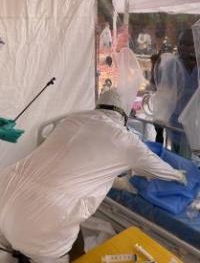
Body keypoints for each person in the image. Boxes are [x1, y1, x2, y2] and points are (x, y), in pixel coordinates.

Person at [0, 86, 187, 263]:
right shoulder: (125, 139)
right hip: (47, 214)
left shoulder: (72, 120)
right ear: (123, 114)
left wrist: (117, 182)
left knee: (14, 244)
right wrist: (178, 175)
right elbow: (156, 167)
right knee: (43, 248)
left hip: (6, 189)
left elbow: (76, 165)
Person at [153, 28, 198, 157]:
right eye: (181, 43)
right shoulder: (172, 65)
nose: (183, 47)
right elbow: (163, 98)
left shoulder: (198, 69)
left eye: (188, 44)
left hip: (195, 126)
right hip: (175, 126)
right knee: (178, 162)